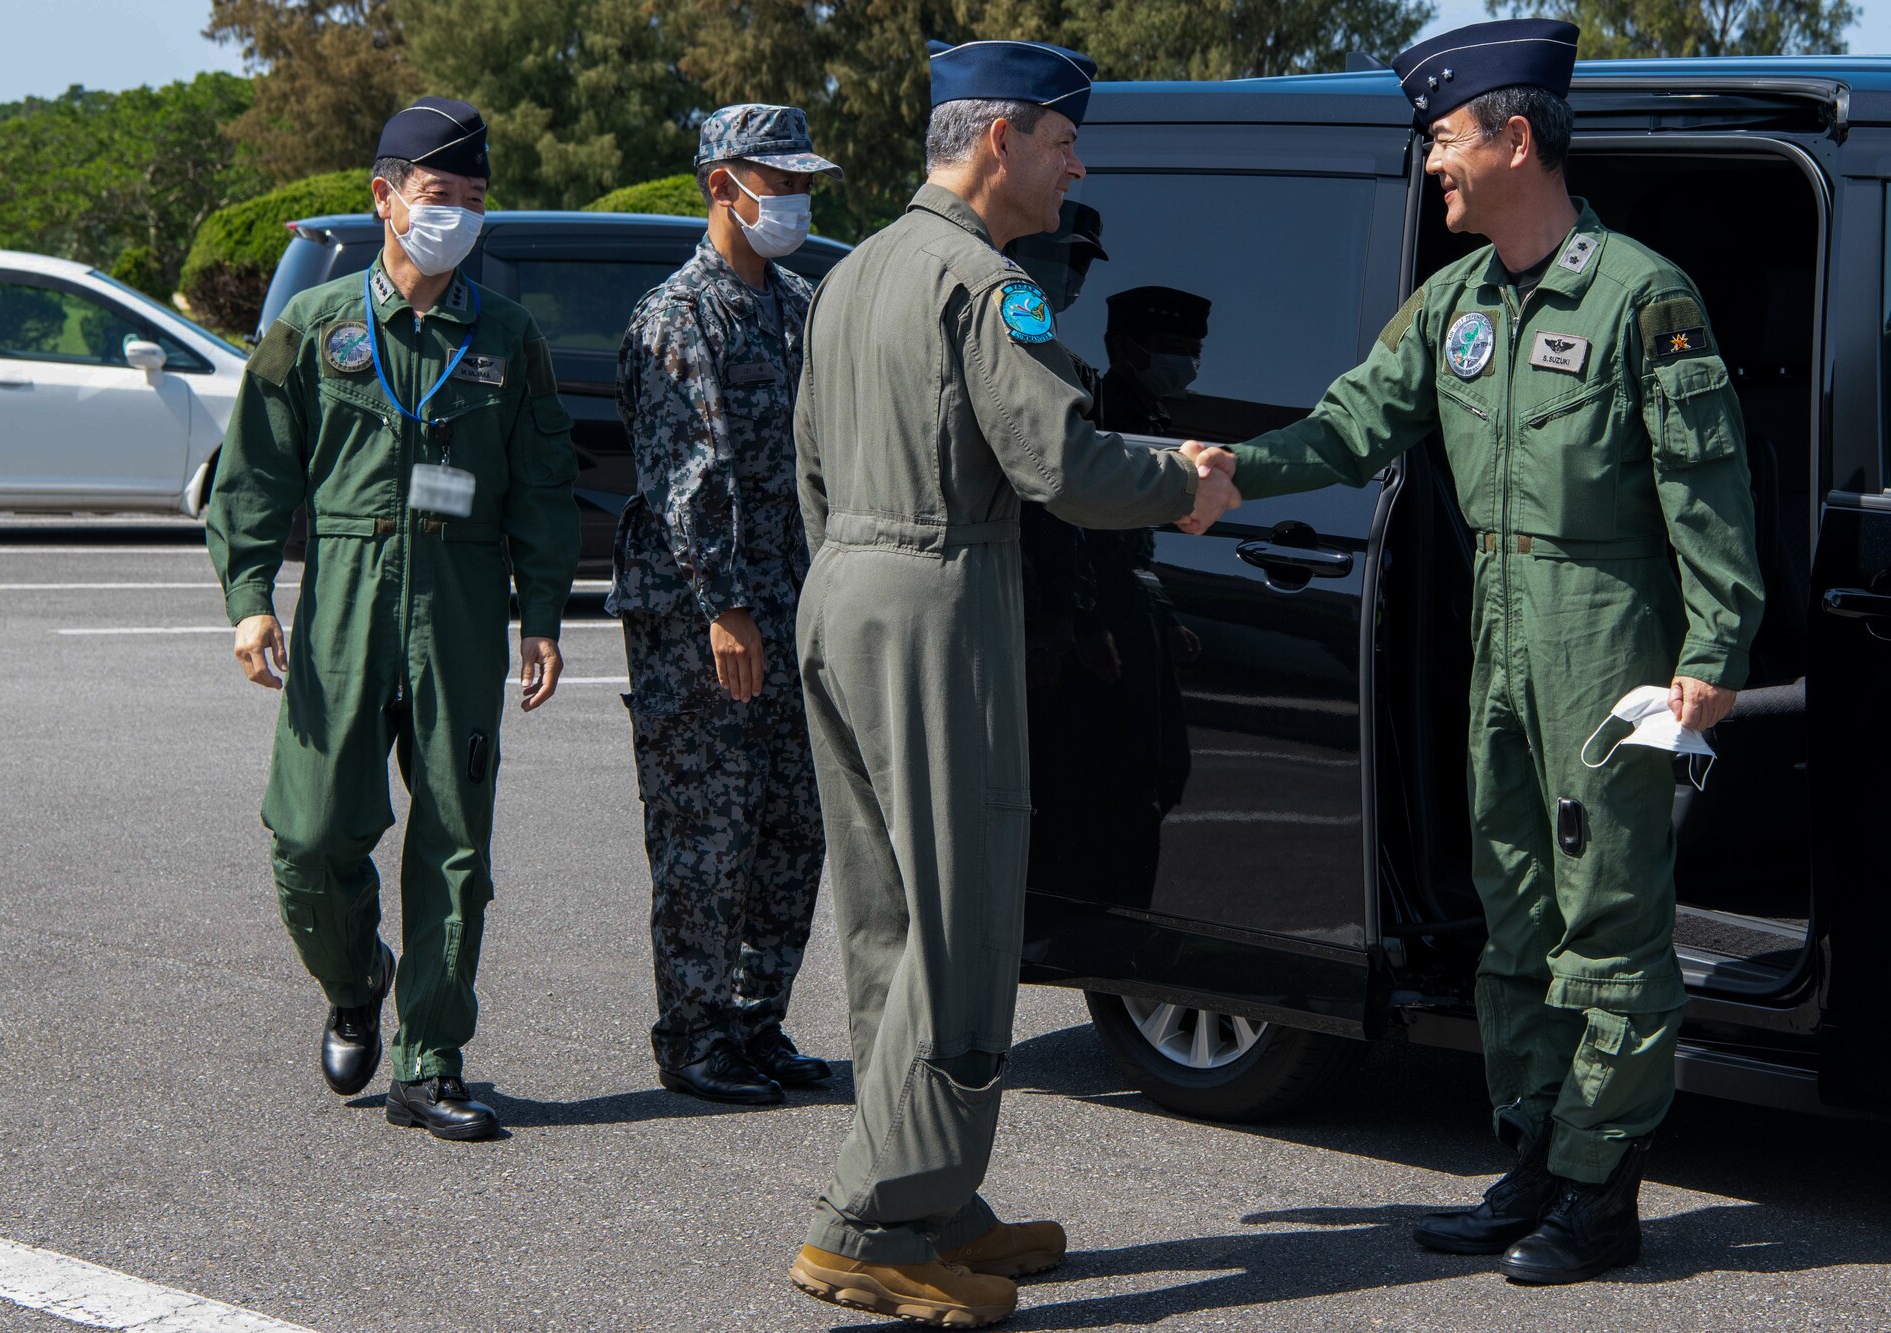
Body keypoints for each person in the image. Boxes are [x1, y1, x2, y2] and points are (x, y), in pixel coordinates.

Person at [1224, 20, 1764, 1283]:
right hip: (1496, 630)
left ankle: (1599, 1186)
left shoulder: (1640, 295)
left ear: (1513, 139)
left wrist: (1714, 644)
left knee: (1609, 917)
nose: (1430, 164)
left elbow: (1706, 488)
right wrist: (1221, 478)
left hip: (1605, 636)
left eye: (1444, 138)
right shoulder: (1454, 304)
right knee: (1511, 903)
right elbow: (1353, 425)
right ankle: (1528, 1156)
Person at [785, 37, 1242, 1328]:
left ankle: (933, 1192)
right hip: (937, 597)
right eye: (1060, 141)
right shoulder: (991, 287)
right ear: (1001, 144)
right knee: (963, 920)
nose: (1074, 163)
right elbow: (1059, 461)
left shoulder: (855, 269)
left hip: (845, 585)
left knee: (886, 919)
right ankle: (869, 1221)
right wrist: (1184, 486)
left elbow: (809, 463)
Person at [206, 97, 581, 1142]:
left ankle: (430, 1060)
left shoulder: (505, 338)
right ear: (384, 198)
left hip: (458, 604)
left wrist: (540, 613)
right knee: (311, 829)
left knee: (455, 840)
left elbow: (543, 486)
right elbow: (252, 476)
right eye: (434, 196)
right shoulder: (316, 325)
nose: (453, 215)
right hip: (343, 598)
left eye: (470, 200)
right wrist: (248, 600)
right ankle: (354, 972)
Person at [610, 104, 841, 1107]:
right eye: (772, 182)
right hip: (702, 620)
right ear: (719, 186)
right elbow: (686, 474)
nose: (789, 200)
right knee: (706, 833)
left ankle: (754, 1022)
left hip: (795, 606)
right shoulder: (677, 314)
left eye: (799, 185)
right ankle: (693, 1035)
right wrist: (726, 605)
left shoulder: (797, 303)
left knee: (792, 825)